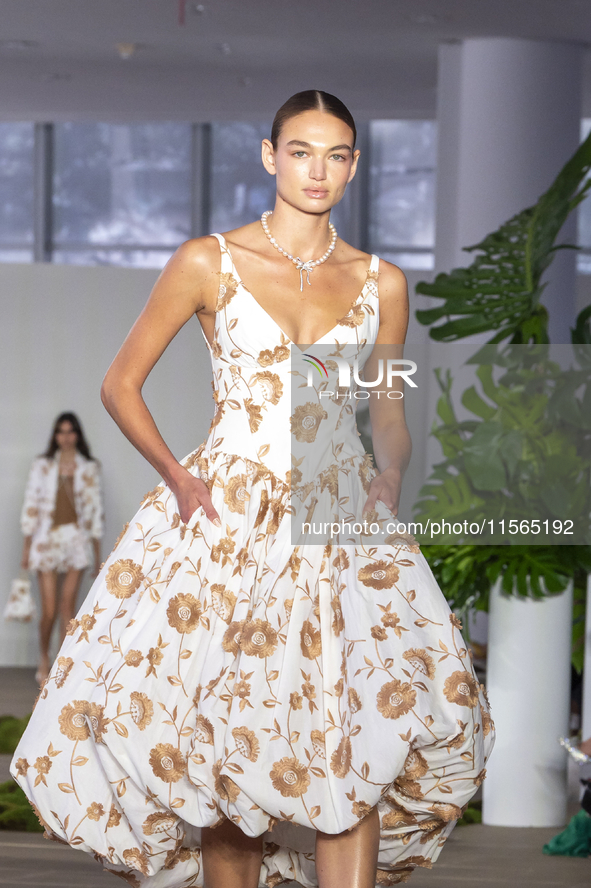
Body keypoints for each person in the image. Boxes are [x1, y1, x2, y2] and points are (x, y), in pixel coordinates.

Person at [11, 91, 494, 888]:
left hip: (340, 520)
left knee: (355, 740)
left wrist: (391, 471)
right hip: (228, 516)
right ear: (270, 156)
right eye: (301, 151)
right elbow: (119, 385)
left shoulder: (384, 282)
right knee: (228, 751)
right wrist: (177, 477)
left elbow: (389, 414)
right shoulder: (210, 261)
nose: (318, 170)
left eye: (335, 154)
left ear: (354, 166)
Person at [20, 412, 103, 684]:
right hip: (46, 540)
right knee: (50, 610)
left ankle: (61, 667)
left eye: (70, 431)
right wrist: (26, 546)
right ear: (55, 435)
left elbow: (94, 509)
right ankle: (43, 655)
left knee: (69, 608)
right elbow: (32, 502)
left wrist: (98, 551)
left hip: (75, 541)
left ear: (77, 434)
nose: (65, 437)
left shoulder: (88, 467)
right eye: (60, 431)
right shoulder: (42, 465)